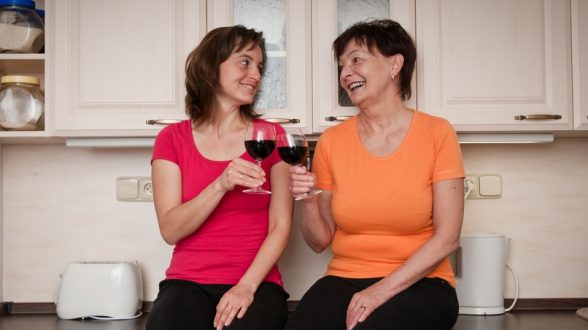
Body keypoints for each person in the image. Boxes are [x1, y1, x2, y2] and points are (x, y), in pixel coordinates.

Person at [284, 19, 465, 330]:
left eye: (356, 59)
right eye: (341, 66)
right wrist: (308, 200)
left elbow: (447, 239)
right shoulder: (332, 141)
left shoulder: (437, 133)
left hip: (423, 282)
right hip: (344, 278)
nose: (345, 73)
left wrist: (381, 290)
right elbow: (318, 242)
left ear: (395, 64)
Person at [146, 25, 292, 330]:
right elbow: (171, 230)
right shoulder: (172, 139)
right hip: (187, 282)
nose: (256, 74)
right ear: (212, 67)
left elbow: (280, 226)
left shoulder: (271, 136)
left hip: (257, 282)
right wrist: (221, 184)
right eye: (245, 62)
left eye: (259, 66)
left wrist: (247, 286)